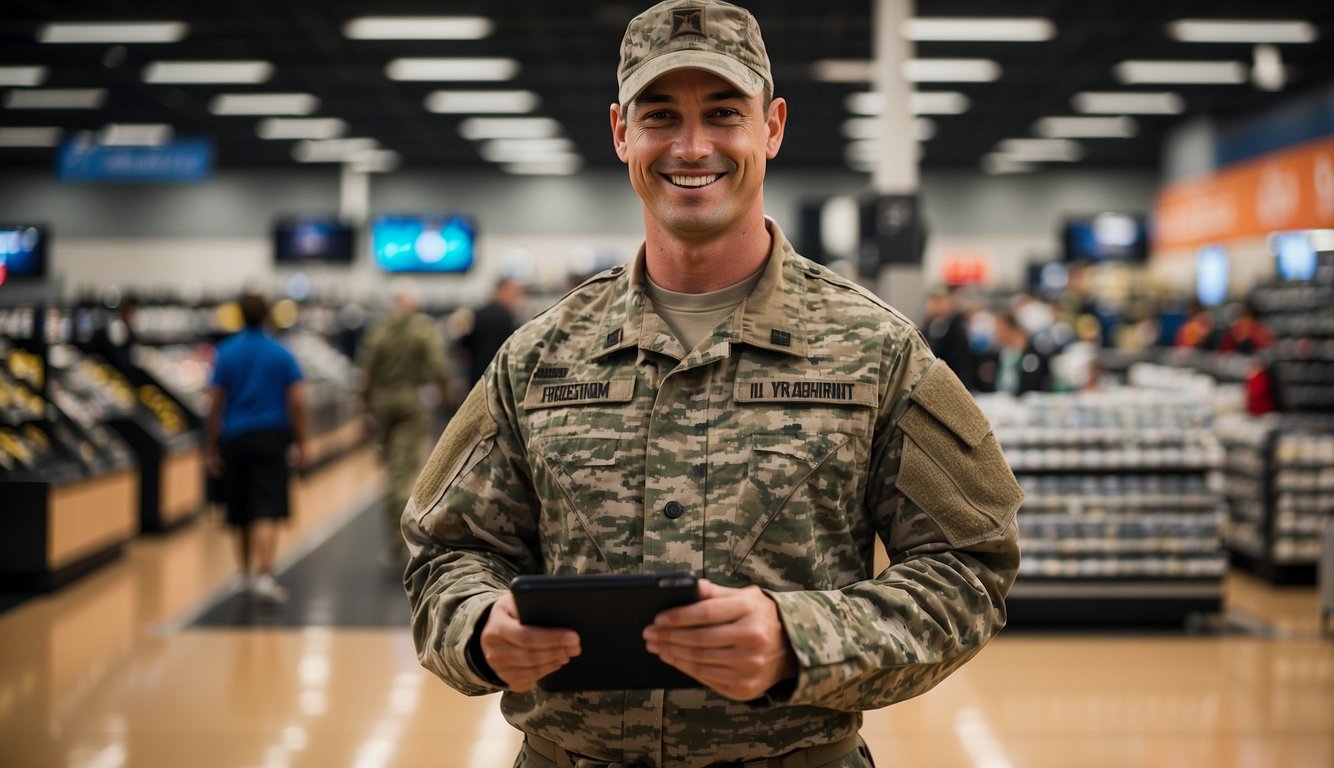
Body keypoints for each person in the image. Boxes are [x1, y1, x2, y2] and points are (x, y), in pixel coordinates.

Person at [402, 2, 1022, 765]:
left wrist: (802, 641)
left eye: (723, 113)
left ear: (773, 126)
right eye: (660, 115)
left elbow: (970, 565)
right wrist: (478, 626)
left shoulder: (877, 352)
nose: (691, 146)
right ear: (621, 132)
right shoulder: (537, 358)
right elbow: (443, 551)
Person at [205, 292, 307, 604]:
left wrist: (211, 445)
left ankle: (245, 574)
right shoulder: (281, 353)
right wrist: (302, 441)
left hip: (235, 437)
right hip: (271, 436)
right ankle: (265, 575)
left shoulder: (225, 353)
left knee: (239, 508)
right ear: (267, 316)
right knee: (266, 506)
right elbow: (298, 401)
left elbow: (214, 402)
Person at [357, 281, 453, 570]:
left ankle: (393, 544)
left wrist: (365, 408)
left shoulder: (379, 330)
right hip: (412, 401)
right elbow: (439, 366)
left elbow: (365, 372)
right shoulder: (423, 329)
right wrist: (446, 394)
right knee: (406, 474)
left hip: (383, 402)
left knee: (392, 472)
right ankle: (407, 543)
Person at [457, 277, 526, 385]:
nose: (517, 299)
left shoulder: (477, 314)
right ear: (501, 291)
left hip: (477, 379)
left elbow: (464, 351)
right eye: (514, 294)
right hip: (499, 379)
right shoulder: (509, 319)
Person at [981, 310, 1052, 396]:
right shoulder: (1003, 354)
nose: (996, 334)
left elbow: (1034, 384)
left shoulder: (1033, 355)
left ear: (1010, 328)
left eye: (999, 330)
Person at [922, 285, 975, 389]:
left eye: (940, 301)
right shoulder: (927, 328)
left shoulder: (956, 328)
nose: (936, 306)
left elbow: (961, 361)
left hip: (953, 382)